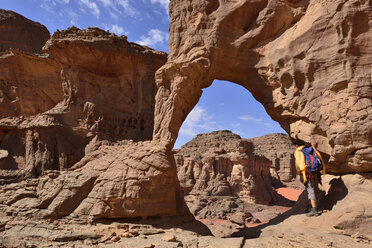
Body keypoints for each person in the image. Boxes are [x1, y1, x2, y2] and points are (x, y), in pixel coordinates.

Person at [293, 139, 326, 217]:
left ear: (296, 146)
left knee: (310, 190)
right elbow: (318, 156)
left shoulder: (298, 151)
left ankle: (314, 210)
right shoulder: (309, 149)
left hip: (308, 173)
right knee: (314, 188)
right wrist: (314, 146)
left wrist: (301, 174)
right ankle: (312, 206)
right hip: (315, 172)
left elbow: (300, 164)